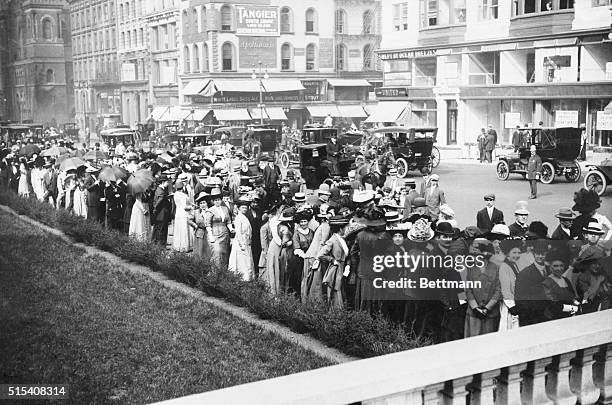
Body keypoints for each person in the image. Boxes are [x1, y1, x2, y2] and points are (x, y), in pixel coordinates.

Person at [464, 239, 501, 337]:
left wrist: (487, 308)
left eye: (489, 251)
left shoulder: (496, 267)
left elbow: (498, 290)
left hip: (491, 313)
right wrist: (475, 308)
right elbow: (468, 289)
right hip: (473, 313)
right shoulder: (470, 267)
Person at [514, 240, 549, 326]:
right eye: (538, 253)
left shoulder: (550, 270)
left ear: (546, 253)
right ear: (533, 254)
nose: (540, 256)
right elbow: (520, 299)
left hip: (548, 317)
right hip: (532, 318)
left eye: (543, 254)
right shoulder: (524, 274)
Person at [542, 249, 579, 320]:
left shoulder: (566, 280)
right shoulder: (546, 283)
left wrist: (577, 303)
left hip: (570, 316)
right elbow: (554, 305)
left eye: (561, 266)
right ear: (550, 267)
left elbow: (572, 297)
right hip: (556, 318)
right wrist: (573, 308)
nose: (559, 268)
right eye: (555, 266)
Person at [498, 240, 522, 331]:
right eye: (514, 252)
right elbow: (505, 289)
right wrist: (512, 306)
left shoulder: (514, 265)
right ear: (507, 253)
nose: (517, 255)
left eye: (519, 252)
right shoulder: (504, 267)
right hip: (509, 306)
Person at [205, 187, 231, 271]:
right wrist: (211, 236)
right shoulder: (210, 211)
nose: (217, 202)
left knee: (224, 253)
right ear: (213, 201)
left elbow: (229, 221)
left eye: (219, 200)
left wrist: (231, 229)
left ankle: (223, 272)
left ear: (221, 200)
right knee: (217, 252)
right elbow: (208, 224)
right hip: (215, 235)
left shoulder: (225, 209)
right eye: (215, 200)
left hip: (225, 234)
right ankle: (215, 272)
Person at [228, 198, 255, 281]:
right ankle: (242, 278)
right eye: (243, 208)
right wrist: (241, 244)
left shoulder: (244, 217)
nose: (245, 209)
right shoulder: (238, 218)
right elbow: (238, 232)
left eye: (246, 208)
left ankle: (247, 277)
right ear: (239, 208)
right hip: (241, 242)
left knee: (246, 260)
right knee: (241, 260)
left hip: (246, 241)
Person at [292, 208, 315, 297]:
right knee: (299, 277)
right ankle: (299, 295)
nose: (303, 224)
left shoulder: (312, 232)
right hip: (300, 258)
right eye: (301, 222)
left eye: (305, 221)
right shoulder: (296, 233)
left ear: (308, 221)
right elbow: (296, 248)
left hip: (311, 256)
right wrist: (304, 256)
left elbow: (314, 244)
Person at [188, 192, 211, 259]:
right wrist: (195, 226)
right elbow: (189, 220)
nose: (202, 205)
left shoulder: (211, 211)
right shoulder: (196, 212)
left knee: (208, 252)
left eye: (204, 203)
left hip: (209, 234)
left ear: (207, 203)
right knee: (199, 252)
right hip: (199, 233)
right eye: (201, 203)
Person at [172, 181, 193, 252]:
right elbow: (185, 207)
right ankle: (185, 246)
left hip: (178, 213)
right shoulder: (183, 195)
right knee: (184, 229)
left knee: (179, 229)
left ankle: (178, 245)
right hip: (184, 213)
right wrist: (191, 207)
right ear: (182, 187)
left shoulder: (175, 194)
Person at [152, 175, 172, 246]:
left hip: (160, 213)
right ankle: (161, 244)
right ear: (163, 182)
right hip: (162, 213)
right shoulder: (161, 191)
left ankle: (158, 243)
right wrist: (155, 209)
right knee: (162, 229)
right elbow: (159, 202)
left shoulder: (159, 189)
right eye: (167, 182)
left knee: (159, 228)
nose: (168, 183)